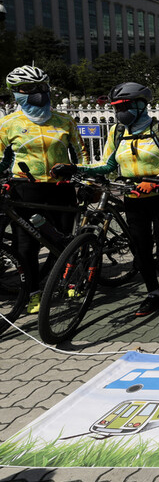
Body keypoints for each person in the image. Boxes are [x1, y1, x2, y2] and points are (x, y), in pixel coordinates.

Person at [53, 82, 159, 317]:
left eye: (124, 106)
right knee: (141, 249)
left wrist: (157, 178)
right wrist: (74, 168)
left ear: (140, 105)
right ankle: (153, 294)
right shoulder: (117, 132)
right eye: (116, 108)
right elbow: (107, 165)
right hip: (132, 196)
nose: (119, 112)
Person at [1, 65, 87, 314]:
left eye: (42, 87)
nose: (38, 92)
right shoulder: (8, 124)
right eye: (28, 89)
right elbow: (2, 160)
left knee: (61, 240)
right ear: (15, 93)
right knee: (26, 246)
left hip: (61, 189)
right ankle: (33, 292)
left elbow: (81, 154)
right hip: (26, 191)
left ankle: (64, 279)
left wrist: (81, 175)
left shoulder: (64, 120)